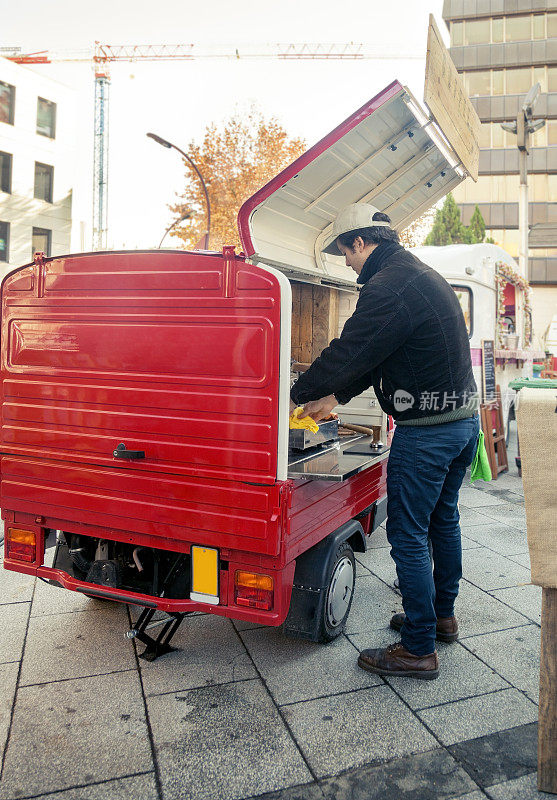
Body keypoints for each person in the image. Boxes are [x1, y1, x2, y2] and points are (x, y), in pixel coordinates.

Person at [289, 203, 480, 680]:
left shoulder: (390, 286)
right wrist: (333, 396)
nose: (346, 263)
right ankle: (440, 617)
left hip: (428, 433)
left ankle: (418, 648)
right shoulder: (415, 275)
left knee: (408, 535)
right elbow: (380, 353)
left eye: (344, 253)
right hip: (461, 424)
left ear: (360, 242)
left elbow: (351, 349)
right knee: (443, 520)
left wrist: (290, 395)